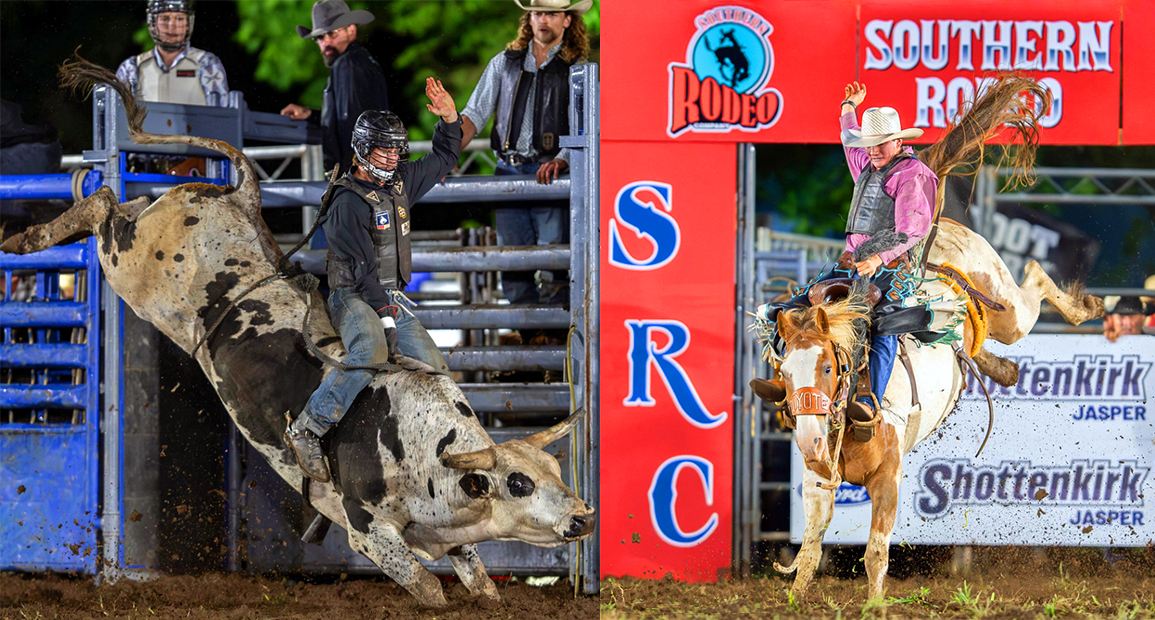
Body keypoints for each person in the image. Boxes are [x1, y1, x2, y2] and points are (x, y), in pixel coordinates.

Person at [285, 78, 462, 482]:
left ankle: (427, 450)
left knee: (436, 370)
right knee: (369, 350)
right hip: (352, 294)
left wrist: (449, 118)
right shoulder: (347, 200)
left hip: (387, 296)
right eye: (385, 148)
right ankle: (308, 428)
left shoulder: (398, 184)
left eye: (397, 148)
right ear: (363, 150)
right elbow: (362, 268)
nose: (393, 155)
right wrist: (384, 312)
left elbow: (444, 155)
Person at [752, 82, 939, 438]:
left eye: (881, 143)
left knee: (884, 323)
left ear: (899, 142)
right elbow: (848, 136)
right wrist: (847, 106)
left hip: (892, 266)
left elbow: (913, 228)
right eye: (869, 144)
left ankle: (871, 401)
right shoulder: (868, 161)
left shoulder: (911, 175)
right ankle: (785, 381)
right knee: (790, 310)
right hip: (853, 261)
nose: (873, 151)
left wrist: (879, 258)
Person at [460, 0, 592, 307]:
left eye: (552, 13)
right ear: (529, 18)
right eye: (537, 13)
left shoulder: (578, 69)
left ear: (567, 21)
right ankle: (530, 335)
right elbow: (473, 114)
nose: (543, 19)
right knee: (513, 262)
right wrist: (447, 153)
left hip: (553, 176)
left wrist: (563, 158)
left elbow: (586, 126)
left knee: (555, 262)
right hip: (509, 171)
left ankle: (554, 341)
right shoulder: (504, 63)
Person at [281, 0, 390, 173]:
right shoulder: (362, 61)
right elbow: (351, 118)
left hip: (357, 177)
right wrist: (311, 115)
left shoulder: (347, 64)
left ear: (351, 30)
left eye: (331, 33)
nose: (325, 42)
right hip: (368, 175)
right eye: (319, 37)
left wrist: (351, 179)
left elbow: (351, 125)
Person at [115, 0, 229, 106]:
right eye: (165, 19)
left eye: (179, 18)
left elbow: (221, 116)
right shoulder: (132, 67)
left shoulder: (206, 64)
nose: (172, 26)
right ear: (153, 23)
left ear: (188, 23)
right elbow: (117, 114)